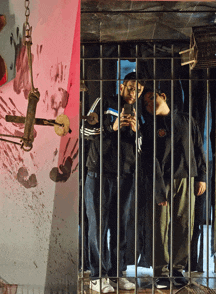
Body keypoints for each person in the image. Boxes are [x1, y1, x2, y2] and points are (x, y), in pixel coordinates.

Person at [84, 72, 145, 293]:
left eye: (138, 90)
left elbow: (141, 150)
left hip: (125, 177)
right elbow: (85, 130)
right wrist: (113, 126)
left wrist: (137, 132)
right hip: (98, 175)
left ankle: (117, 274)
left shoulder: (139, 114)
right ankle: (97, 276)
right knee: (97, 227)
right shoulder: (105, 102)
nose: (133, 93)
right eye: (130, 88)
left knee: (120, 227)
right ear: (121, 87)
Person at [139, 89, 206, 289]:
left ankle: (177, 269)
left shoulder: (186, 120)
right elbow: (149, 161)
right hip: (162, 181)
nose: (149, 104)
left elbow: (198, 148)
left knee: (185, 224)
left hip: (186, 179)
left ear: (163, 96)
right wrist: (159, 190)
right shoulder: (149, 127)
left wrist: (201, 176)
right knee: (159, 226)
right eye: (145, 104)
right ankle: (161, 272)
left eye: (151, 98)